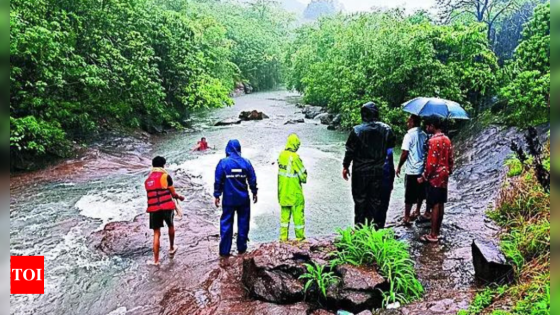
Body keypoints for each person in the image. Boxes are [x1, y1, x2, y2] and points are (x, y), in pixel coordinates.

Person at [343, 102, 396, 229]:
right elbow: (391, 145)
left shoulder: (357, 131)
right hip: (378, 170)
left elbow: (350, 151)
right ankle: (374, 229)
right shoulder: (386, 129)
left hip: (360, 171)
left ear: (363, 114)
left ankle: (360, 229)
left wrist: (345, 166)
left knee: (360, 200)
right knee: (375, 200)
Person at [214, 140, 258, 257]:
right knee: (243, 222)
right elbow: (252, 179)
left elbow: (218, 180)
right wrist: (254, 192)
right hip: (243, 199)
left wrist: (217, 195)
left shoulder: (223, 163)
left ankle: (224, 251)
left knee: (226, 223)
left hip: (228, 199)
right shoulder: (246, 162)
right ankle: (242, 248)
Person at [144, 156, 185, 266]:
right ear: (163, 165)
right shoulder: (165, 176)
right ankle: (171, 248)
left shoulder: (148, 180)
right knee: (170, 226)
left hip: (154, 209)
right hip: (166, 206)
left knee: (156, 233)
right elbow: (173, 194)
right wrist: (180, 197)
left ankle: (156, 261)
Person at [418, 119, 454, 243]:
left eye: (428, 125)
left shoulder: (433, 141)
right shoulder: (447, 139)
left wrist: (424, 176)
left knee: (434, 205)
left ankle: (432, 234)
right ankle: (437, 232)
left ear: (433, 126)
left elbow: (431, 164)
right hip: (444, 174)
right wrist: (449, 170)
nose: (427, 128)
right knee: (441, 203)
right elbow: (450, 159)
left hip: (435, 176)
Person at [396, 115, 428, 226]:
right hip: (422, 169)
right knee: (420, 192)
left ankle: (406, 217)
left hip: (411, 170)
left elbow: (405, 153)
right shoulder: (424, 134)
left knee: (409, 194)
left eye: (408, 120)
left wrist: (399, 166)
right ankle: (418, 210)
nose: (407, 122)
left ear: (412, 122)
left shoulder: (409, 135)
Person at [278, 134, 308, 242]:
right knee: (298, 216)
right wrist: (304, 176)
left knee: (284, 217)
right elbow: (303, 176)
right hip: (294, 192)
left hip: (283, 191)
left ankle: (283, 238)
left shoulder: (281, 155)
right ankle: (300, 238)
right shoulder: (295, 158)